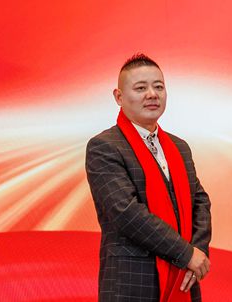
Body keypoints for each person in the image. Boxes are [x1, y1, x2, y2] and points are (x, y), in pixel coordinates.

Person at [85, 53, 212, 302]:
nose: (152, 94)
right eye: (141, 88)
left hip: (184, 278)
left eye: (158, 87)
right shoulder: (104, 146)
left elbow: (200, 201)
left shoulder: (179, 147)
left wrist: (199, 251)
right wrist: (185, 254)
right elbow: (126, 212)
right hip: (132, 282)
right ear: (119, 97)